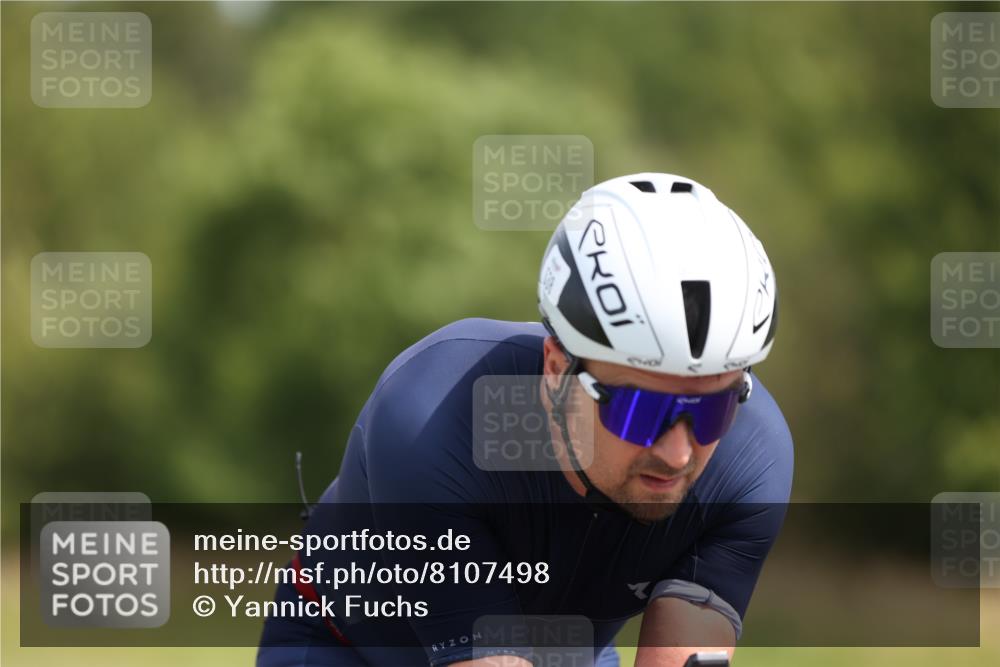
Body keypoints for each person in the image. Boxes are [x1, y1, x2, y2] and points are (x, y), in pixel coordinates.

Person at [257, 173, 793, 667]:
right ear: (557, 371)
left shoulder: (752, 458)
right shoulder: (437, 419)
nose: (679, 453)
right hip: (351, 650)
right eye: (641, 410)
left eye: (712, 410)